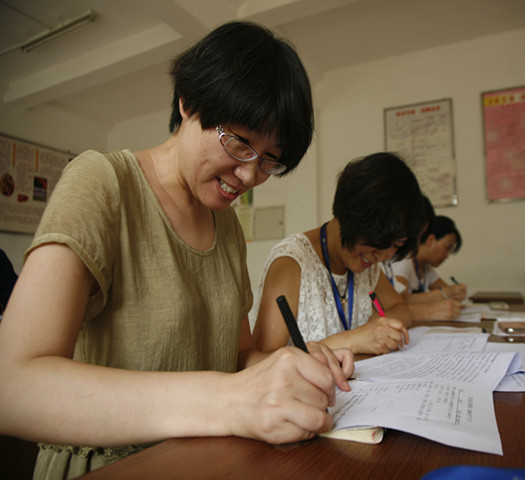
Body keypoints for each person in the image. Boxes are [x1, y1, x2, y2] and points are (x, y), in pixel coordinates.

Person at [0, 21, 354, 480]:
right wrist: (227, 401)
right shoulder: (104, 183)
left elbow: (238, 356)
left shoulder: (226, 224)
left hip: (206, 461)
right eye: (241, 142)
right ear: (188, 102)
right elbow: (13, 386)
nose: (249, 177)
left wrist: (297, 366)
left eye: (270, 159)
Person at [251, 152, 428, 356]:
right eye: (377, 243)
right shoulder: (291, 263)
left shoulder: (366, 266)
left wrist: (379, 323)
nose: (382, 256)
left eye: (396, 245)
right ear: (352, 217)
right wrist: (353, 340)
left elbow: (401, 308)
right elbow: (263, 360)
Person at [392, 215, 467, 321]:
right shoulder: (404, 261)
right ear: (430, 240)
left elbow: (446, 290)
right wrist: (444, 293)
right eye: (447, 248)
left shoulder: (425, 267)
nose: (447, 255)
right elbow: (401, 299)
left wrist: (454, 293)